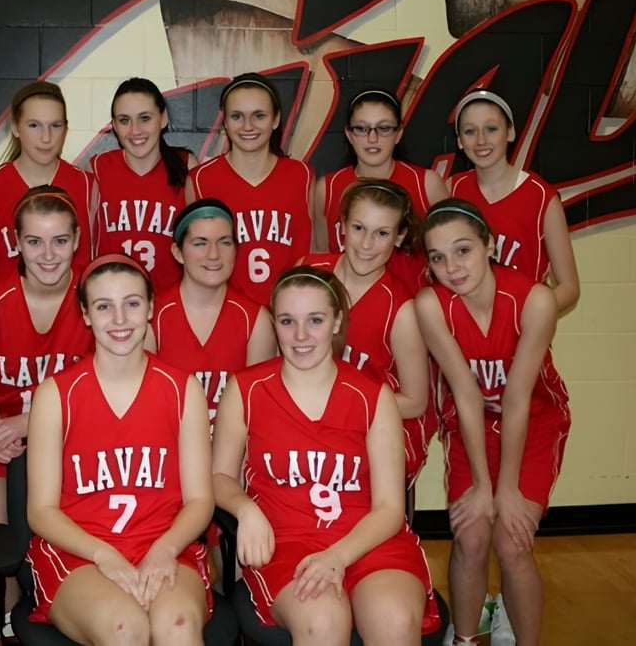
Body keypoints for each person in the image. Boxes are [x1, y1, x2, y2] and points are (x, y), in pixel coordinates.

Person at [212, 266, 439, 646]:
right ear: (274, 324)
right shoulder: (246, 389)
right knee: (323, 620)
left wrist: (338, 556)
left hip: (368, 540)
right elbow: (219, 477)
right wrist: (246, 509)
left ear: (336, 322)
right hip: (287, 542)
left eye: (315, 320)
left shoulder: (373, 396)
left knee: (395, 620)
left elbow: (388, 507)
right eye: (288, 321)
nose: (301, 336)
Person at [26, 254, 214, 645]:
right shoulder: (55, 395)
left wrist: (165, 549)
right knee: (125, 629)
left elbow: (200, 500)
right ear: (86, 314)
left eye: (131, 303)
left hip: (166, 545)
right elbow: (41, 512)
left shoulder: (184, 390)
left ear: (149, 308)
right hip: (81, 552)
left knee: (176, 627)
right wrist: (103, 555)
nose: (120, 319)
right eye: (104, 306)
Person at [414, 199, 570, 646]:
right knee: (471, 535)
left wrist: (505, 490)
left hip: (535, 419)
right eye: (438, 257)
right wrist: (483, 486)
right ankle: (465, 638)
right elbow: (464, 394)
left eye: (463, 250)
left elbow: (518, 399)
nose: (452, 267)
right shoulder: (431, 305)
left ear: (490, 245)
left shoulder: (534, 300)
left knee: (512, 540)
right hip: (472, 423)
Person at [0, 185, 93, 643]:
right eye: (35, 241)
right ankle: (5, 621)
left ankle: (68, 609)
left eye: (60, 240)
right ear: (15, 242)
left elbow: (103, 378)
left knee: (65, 521)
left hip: (71, 429)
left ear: (77, 240)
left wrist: (31, 422)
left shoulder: (92, 296)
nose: (48, 253)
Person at [301, 179, 432, 485]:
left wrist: (340, 404)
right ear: (342, 225)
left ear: (399, 237)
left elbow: (415, 401)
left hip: (374, 430)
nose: (366, 244)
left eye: (382, 233)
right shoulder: (307, 273)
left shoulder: (401, 311)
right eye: (359, 228)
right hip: (310, 424)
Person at [187, 72, 316, 306]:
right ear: (225, 121)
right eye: (237, 116)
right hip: (227, 317)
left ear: (276, 120)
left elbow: (315, 253)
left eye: (259, 116)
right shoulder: (200, 180)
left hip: (290, 316)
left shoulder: (302, 176)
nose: (248, 126)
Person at [448, 89, 580, 314]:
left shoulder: (541, 196)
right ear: (460, 141)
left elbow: (569, 287)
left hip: (522, 338)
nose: (481, 140)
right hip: (464, 336)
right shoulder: (451, 189)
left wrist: (526, 315)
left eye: (491, 129)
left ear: (510, 132)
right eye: (470, 131)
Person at [149, 198, 277, 419]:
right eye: (200, 243)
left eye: (225, 242)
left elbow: (256, 413)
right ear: (178, 252)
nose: (214, 255)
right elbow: (147, 409)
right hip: (170, 448)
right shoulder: (152, 316)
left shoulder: (255, 320)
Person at [314, 88, 446, 292]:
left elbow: (449, 253)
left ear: (398, 133)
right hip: (348, 311)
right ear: (349, 134)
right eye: (361, 128)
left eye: (383, 128)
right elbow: (322, 258)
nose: (372, 138)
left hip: (413, 311)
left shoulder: (427, 184)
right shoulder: (327, 189)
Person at [91, 77, 199, 292]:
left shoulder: (186, 165)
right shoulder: (98, 168)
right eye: (124, 120)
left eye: (145, 118)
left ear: (163, 118)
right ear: (113, 125)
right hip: (113, 303)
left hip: (169, 303)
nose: (135, 130)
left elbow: (199, 242)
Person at [0, 80, 94, 277]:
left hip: (73, 306)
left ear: (66, 129)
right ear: (15, 127)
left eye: (55, 126)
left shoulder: (89, 187)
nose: (46, 137)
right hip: (5, 307)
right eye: (34, 125)